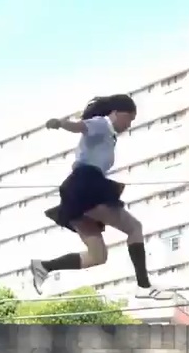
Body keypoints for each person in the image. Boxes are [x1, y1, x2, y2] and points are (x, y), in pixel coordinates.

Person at [29, 94, 153, 296]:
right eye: (129, 119)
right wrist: (61, 123)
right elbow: (81, 127)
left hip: (76, 192)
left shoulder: (108, 135)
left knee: (97, 256)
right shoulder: (102, 124)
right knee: (134, 228)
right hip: (86, 186)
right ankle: (144, 286)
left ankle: (44, 266)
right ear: (116, 113)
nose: (129, 125)